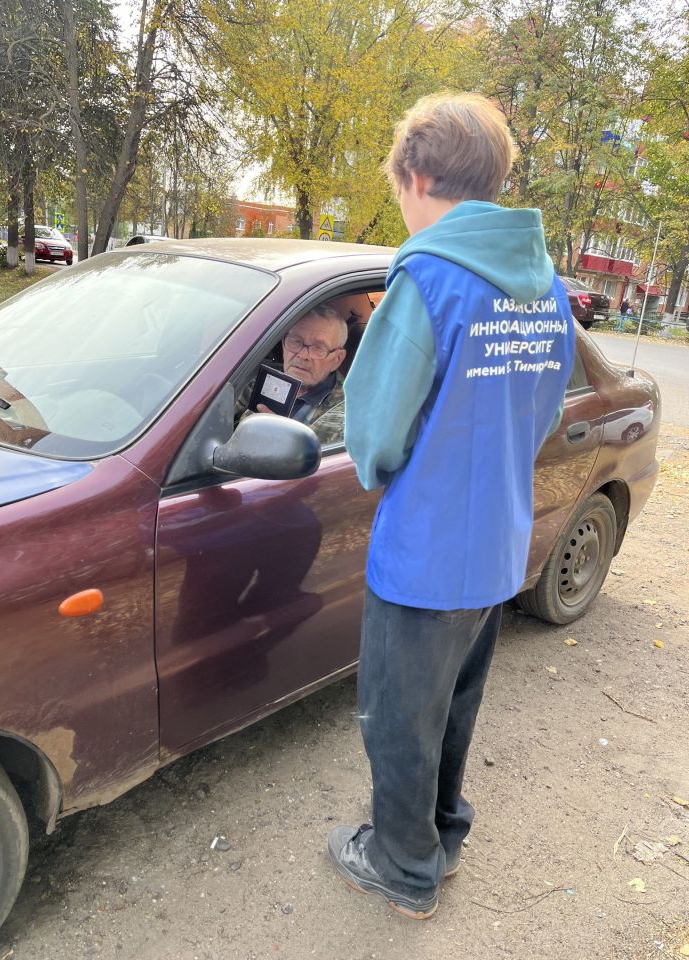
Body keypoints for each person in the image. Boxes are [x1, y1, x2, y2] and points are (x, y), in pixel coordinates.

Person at [328, 92, 575, 920]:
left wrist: (384, 464)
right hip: (498, 545)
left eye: (398, 184)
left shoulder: (427, 277)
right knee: (454, 708)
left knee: (398, 723)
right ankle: (444, 833)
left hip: (423, 554)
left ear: (419, 174)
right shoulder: (546, 288)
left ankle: (402, 868)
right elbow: (534, 415)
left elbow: (373, 434)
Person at [237, 305, 347, 440]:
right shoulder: (260, 380)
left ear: (337, 359)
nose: (302, 355)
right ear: (283, 343)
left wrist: (279, 438)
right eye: (295, 341)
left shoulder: (345, 412)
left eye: (318, 348)